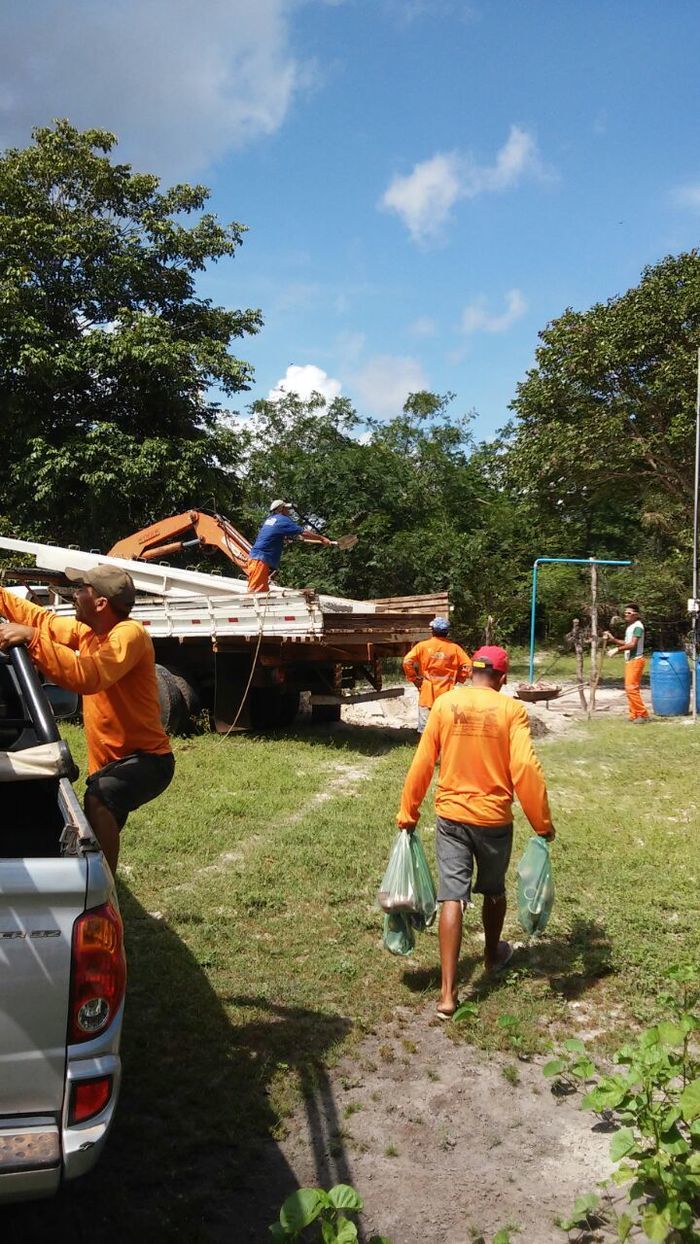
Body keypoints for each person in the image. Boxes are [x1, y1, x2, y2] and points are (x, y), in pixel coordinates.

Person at [395, 645, 555, 1019]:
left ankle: (448, 995)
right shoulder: (512, 710)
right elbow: (525, 769)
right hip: (494, 820)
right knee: (494, 890)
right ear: (502, 678)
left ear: (471, 673)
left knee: (452, 896)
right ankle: (491, 954)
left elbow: (422, 761)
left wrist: (408, 812)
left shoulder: (445, 704)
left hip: (451, 817)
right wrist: (542, 823)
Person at [0, 565, 174, 875]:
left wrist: (34, 639)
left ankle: (101, 888)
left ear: (100, 603)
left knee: (100, 799)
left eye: (81, 590)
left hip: (147, 761)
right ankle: (97, 881)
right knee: (97, 816)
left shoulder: (128, 635)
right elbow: (44, 620)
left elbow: (89, 676)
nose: (74, 596)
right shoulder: (91, 633)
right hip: (109, 764)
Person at [246, 500, 337, 592]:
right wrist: (322, 538)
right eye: (286, 508)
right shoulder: (282, 519)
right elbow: (303, 532)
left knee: (262, 592)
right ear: (280, 509)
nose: (289, 511)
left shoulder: (270, 520)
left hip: (256, 558)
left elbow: (272, 534)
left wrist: (284, 538)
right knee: (255, 593)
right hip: (261, 559)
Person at [402, 616, 472, 733]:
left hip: (427, 692)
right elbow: (468, 665)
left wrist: (413, 678)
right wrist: (459, 678)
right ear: (447, 632)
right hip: (447, 692)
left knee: (426, 729)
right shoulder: (455, 648)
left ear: (433, 630)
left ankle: (427, 749)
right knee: (446, 727)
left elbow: (407, 661)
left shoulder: (422, 646)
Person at [603, 603, 649, 723]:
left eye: (629, 613)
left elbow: (633, 644)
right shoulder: (631, 627)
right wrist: (613, 640)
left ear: (636, 615)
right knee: (629, 688)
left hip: (636, 660)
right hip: (630, 660)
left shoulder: (638, 627)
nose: (626, 615)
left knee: (631, 688)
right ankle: (634, 714)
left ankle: (642, 715)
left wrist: (616, 650)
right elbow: (627, 642)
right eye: (625, 613)